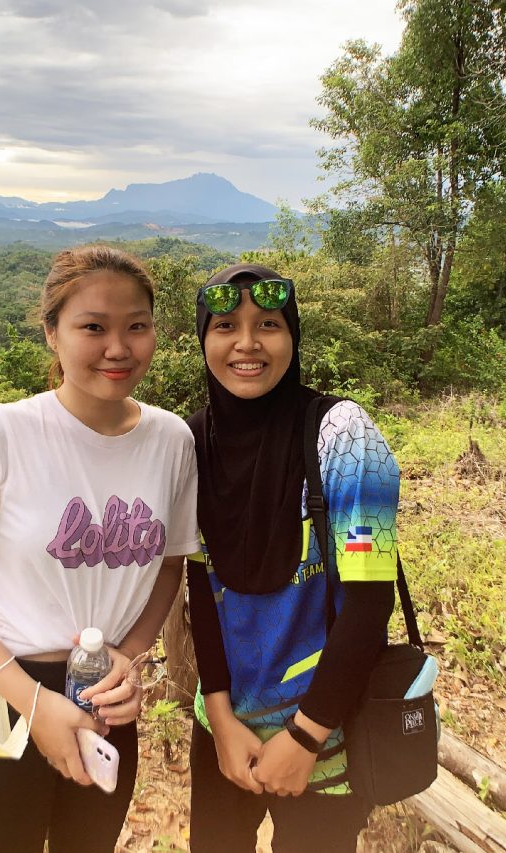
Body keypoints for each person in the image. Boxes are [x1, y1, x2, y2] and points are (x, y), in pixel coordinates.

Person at [0, 245, 199, 853]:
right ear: (52, 333)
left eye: (136, 327)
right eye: (93, 327)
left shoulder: (171, 440)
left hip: (105, 700)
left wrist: (132, 656)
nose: (118, 348)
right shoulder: (2, 434)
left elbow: (171, 562)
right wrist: (35, 705)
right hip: (3, 691)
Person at [185, 263, 400, 852]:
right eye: (226, 325)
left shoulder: (345, 437)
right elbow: (199, 591)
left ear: (293, 336)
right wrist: (221, 718)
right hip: (223, 734)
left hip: (328, 740)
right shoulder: (192, 443)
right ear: (204, 339)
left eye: (269, 325)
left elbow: (370, 597)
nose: (247, 343)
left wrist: (304, 738)